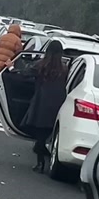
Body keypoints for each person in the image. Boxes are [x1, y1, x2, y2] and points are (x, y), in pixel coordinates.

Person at [21, 40, 67, 173]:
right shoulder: (64, 68)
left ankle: (40, 162)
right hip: (58, 103)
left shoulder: (41, 65)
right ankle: (46, 154)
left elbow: (25, 74)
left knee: (39, 133)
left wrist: (12, 68)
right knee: (51, 131)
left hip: (42, 102)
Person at [0, 24, 23, 95]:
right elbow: (18, 52)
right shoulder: (17, 40)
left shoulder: (2, 37)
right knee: (0, 74)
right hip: (5, 60)